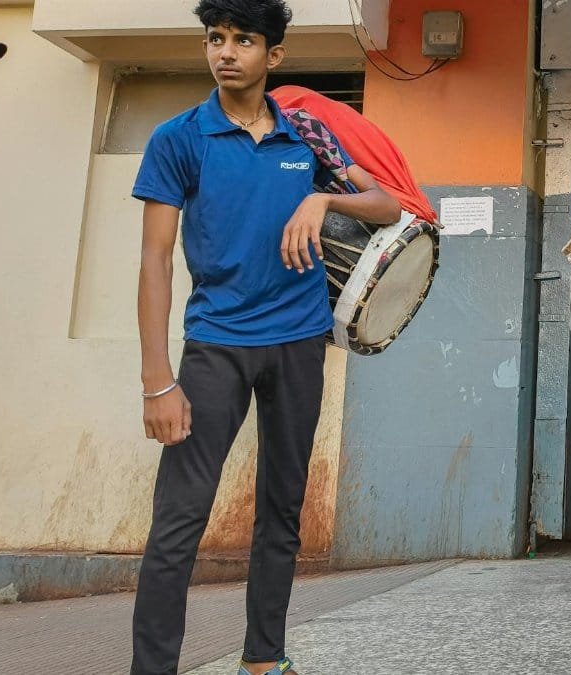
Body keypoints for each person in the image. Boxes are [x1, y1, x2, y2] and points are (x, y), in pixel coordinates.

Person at [130, 1, 401, 673]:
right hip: (215, 347)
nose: (226, 52)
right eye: (215, 39)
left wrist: (325, 197)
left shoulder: (307, 136)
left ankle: (264, 659)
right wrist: (156, 379)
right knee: (178, 522)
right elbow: (156, 260)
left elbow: (388, 204)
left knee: (281, 510)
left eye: (243, 40)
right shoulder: (179, 137)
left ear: (272, 56)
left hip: (299, 343)